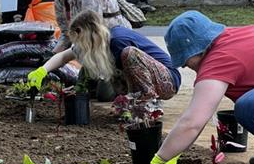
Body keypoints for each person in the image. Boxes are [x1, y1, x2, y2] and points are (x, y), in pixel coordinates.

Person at [149, 10, 254, 164]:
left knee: (250, 106)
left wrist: (159, 160)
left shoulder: (220, 58)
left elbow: (192, 123)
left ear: (195, 50)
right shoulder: (232, 39)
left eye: (184, 59)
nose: (184, 66)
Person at [28, 9, 181, 101]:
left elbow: (134, 68)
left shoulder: (117, 40)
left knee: (129, 54)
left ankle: (145, 103)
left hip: (168, 80)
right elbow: (63, 57)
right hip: (153, 80)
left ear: (83, 32)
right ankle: (135, 103)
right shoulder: (98, 43)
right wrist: (42, 70)